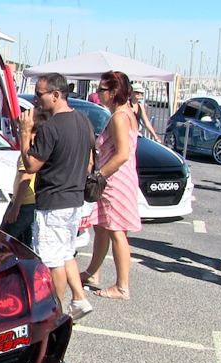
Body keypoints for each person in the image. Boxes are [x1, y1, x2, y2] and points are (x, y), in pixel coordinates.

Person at [19, 72, 94, 320]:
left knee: (53, 262)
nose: (35, 99)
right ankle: (79, 299)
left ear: (56, 94)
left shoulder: (51, 127)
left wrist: (25, 134)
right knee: (65, 253)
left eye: (39, 94)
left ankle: (56, 312)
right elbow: (90, 161)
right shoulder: (83, 120)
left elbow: (31, 165)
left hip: (53, 203)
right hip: (74, 201)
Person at [81, 71, 142, 301]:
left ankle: (122, 286)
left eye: (102, 90)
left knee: (117, 231)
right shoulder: (126, 112)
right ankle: (92, 273)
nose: (98, 94)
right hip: (118, 179)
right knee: (102, 227)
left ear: (114, 92)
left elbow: (122, 154)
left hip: (115, 180)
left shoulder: (119, 117)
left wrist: (99, 175)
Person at [0, 112, 48, 248]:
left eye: (21, 128)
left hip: (23, 203)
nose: (19, 132)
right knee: (25, 243)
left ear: (33, 133)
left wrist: (15, 208)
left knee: (4, 238)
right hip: (32, 203)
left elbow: (26, 178)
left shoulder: (28, 154)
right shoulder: (40, 151)